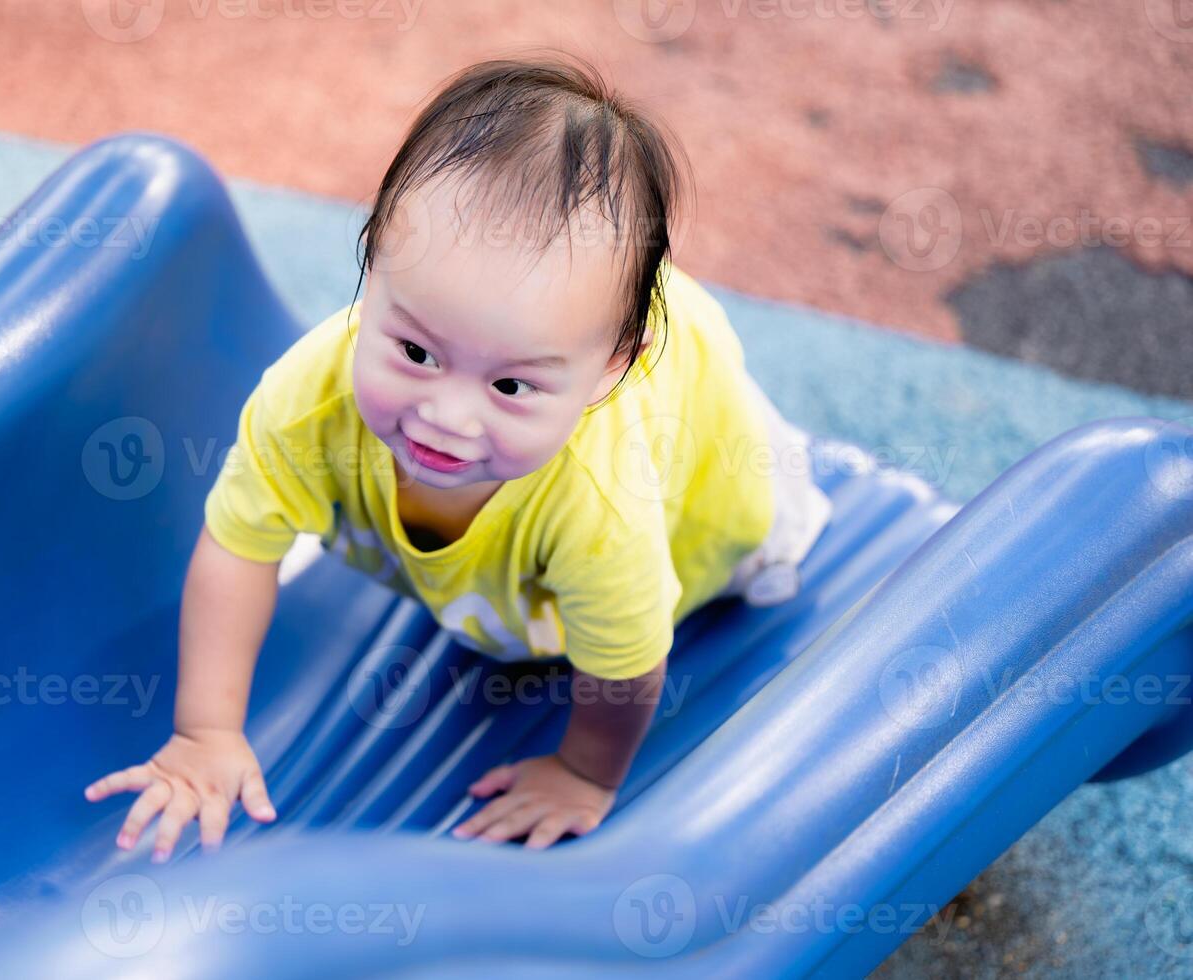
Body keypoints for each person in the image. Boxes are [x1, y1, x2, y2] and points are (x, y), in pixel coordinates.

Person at [85, 52, 831, 856]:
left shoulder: (602, 499)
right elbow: (238, 546)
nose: (445, 417)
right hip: (566, 372)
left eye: (510, 388)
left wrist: (586, 774)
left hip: (698, 439)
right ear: (373, 274)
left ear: (612, 369)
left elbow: (628, 662)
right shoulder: (310, 398)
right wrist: (205, 733)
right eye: (416, 351)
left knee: (750, 536)